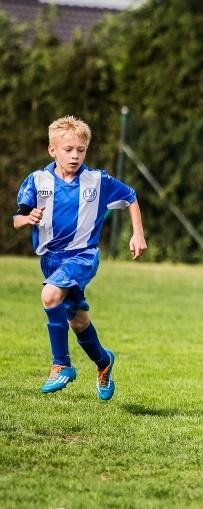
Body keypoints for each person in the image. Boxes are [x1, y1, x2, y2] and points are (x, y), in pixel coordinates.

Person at [13, 115, 147, 400]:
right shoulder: (37, 180)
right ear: (53, 150)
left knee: (50, 296)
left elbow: (131, 197)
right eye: (68, 149)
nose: (75, 156)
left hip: (82, 255)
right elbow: (17, 218)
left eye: (81, 150)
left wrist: (138, 234)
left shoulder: (97, 180)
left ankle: (61, 364)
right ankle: (104, 362)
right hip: (51, 259)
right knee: (79, 321)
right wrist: (27, 219)